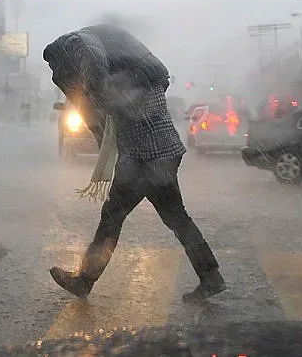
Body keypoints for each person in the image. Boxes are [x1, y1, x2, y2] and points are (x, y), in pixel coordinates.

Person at [43, 24, 225, 302]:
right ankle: (211, 276)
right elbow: (160, 79)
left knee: (112, 218)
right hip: (166, 150)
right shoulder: (139, 66)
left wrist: (105, 107)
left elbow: (94, 80)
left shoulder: (77, 44)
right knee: (177, 218)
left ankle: (84, 280)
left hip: (143, 156)